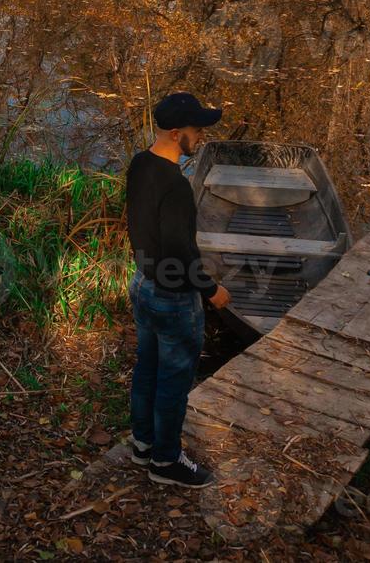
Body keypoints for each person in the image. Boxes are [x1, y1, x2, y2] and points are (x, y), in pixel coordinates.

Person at [125, 92, 232, 488]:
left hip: (143, 284)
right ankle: (166, 461)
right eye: (196, 130)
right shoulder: (176, 187)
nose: (200, 135)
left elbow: (144, 231)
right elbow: (180, 250)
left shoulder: (140, 164)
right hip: (172, 297)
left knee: (147, 368)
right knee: (173, 380)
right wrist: (210, 290)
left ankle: (143, 443)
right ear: (176, 133)